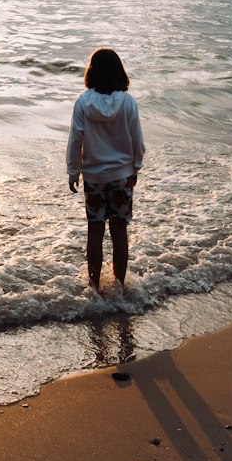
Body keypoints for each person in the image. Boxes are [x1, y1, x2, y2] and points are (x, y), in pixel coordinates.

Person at [67, 47, 145, 290]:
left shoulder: (83, 102)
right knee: (119, 230)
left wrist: (73, 170)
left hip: (94, 176)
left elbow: (75, 139)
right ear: (119, 72)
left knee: (95, 230)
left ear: (92, 72)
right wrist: (136, 166)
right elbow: (137, 140)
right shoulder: (127, 102)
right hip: (122, 175)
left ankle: (94, 286)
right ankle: (120, 285)